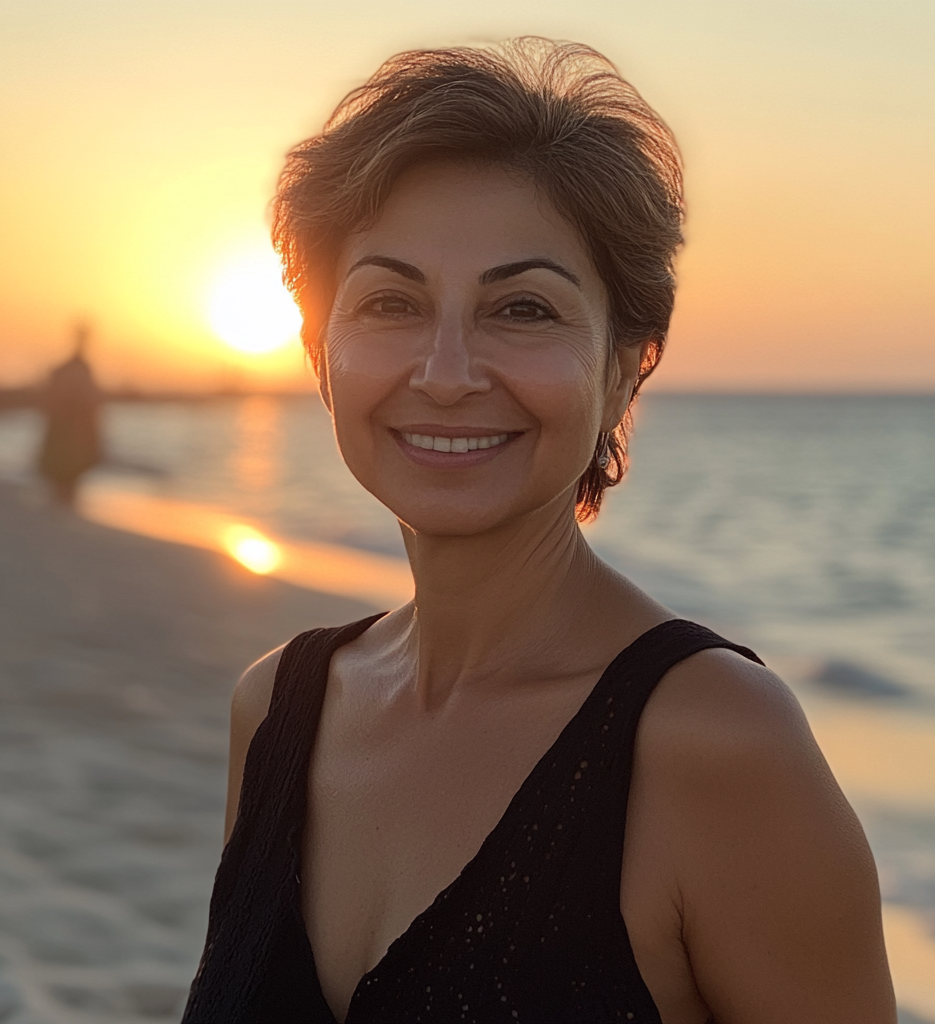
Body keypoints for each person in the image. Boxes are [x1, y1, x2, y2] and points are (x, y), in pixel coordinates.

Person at [184, 39, 897, 1023]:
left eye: (521, 309)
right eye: (391, 301)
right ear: (320, 352)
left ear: (623, 367)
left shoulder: (714, 745)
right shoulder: (275, 709)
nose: (444, 370)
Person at [36, 323, 103, 507]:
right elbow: (89, 407)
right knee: (64, 484)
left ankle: (62, 511)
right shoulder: (73, 370)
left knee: (65, 485)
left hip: (69, 435)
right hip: (68, 436)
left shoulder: (70, 369)